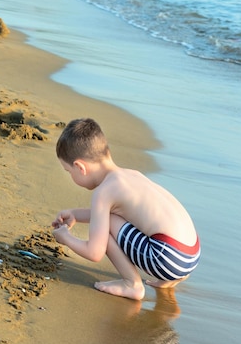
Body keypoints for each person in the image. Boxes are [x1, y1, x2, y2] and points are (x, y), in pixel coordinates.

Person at [51, 118, 200, 300]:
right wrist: (75, 215)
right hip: (190, 256)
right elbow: (111, 214)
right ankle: (172, 280)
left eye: (68, 171)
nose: (70, 176)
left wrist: (66, 237)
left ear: (80, 167)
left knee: (107, 226)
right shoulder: (131, 175)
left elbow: (94, 252)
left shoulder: (103, 192)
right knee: (112, 218)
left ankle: (132, 284)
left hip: (167, 258)